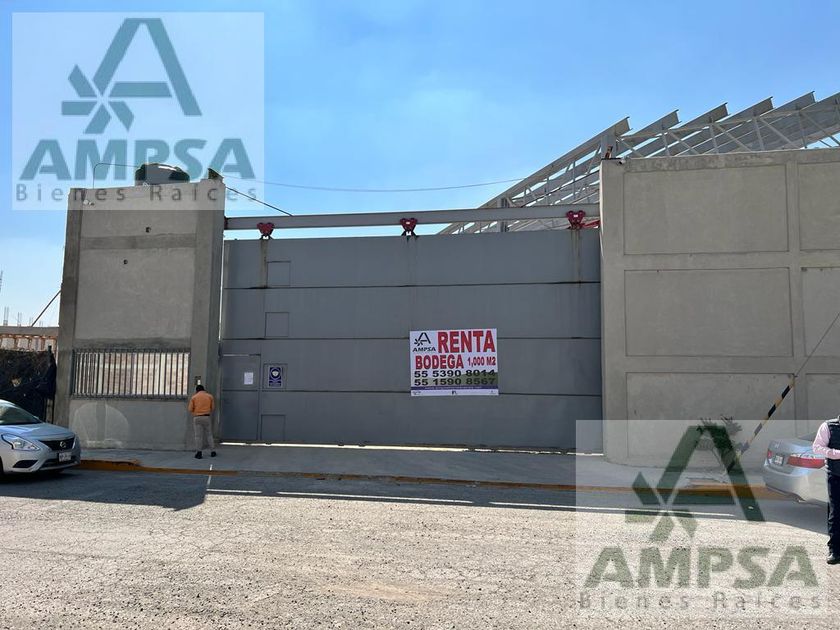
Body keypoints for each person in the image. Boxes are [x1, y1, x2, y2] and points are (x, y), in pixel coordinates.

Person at [813, 417, 840, 564]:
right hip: (836, 475)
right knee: (836, 512)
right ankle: (834, 550)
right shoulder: (829, 426)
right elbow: (817, 447)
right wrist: (837, 453)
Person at [188, 384, 216, 459]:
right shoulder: (210, 396)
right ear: (204, 389)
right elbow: (213, 408)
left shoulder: (194, 397)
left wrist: (196, 411)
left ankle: (199, 452)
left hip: (197, 417)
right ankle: (212, 451)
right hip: (206, 417)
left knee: (198, 436)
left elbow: (190, 409)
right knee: (209, 434)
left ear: (197, 390)